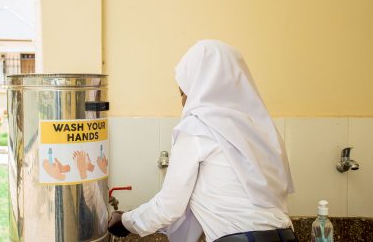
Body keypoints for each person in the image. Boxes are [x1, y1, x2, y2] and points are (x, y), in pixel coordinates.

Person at [108, 40, 298, 242]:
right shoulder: (261, 130)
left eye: (183, 91)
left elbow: (169, 206)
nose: (182, 101)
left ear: (200, 86)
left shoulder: (197, 127)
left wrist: (126, 221)